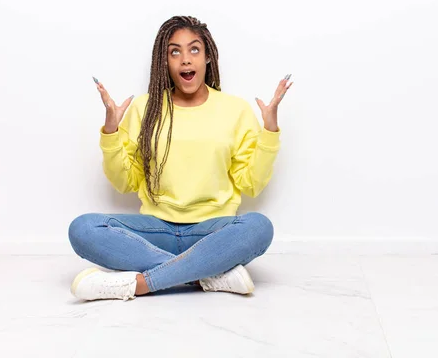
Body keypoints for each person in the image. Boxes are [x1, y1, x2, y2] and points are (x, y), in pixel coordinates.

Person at [68, 16, 293, 301]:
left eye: (194, 50)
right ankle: (207, 274)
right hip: (155, 230)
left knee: (259, 228)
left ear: (208, 57)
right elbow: (125, 183)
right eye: (175, 52)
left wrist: (269, 132)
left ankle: (140, 284)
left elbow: (251, 184)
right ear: (165, 61)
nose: (185, 60)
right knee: (83, 229)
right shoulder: (144, 108)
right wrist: (111, 132)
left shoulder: (235, 110)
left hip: (213, 231)